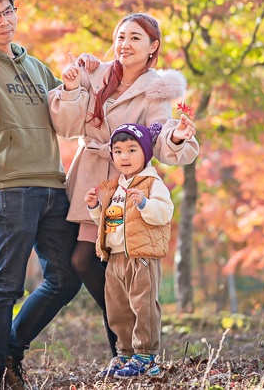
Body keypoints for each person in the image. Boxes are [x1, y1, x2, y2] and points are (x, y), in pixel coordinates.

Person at [0, 0, 83, 390]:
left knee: (66, 278)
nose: (4, 20)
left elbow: (64, 113)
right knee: (7, 286)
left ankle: (10, 350)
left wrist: (75, 85)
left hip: (53, 186)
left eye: (8, 10)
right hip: (11, 189)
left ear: (16, 10)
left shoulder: (35, 66)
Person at [49, 12, 198, 357]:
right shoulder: (94, 74)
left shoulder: (156, 91)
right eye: (120, 36)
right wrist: (72, 87)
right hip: (89, 180)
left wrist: (174, 136)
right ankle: (127, 343)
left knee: (112, 268)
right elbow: (65, 125)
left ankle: (128, 350)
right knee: (84, 260)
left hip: (124, 189)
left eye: (135, 38)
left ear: (152, 47)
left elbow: (157, 139)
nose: (125, 44)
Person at [84, 123, 177, 378]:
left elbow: (165, 214)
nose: (124, 156)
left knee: (142, 305)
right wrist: (95, 208)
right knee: (117, 308)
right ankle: (124, 354)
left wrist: (145, 203)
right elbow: (109, 222)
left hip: (142, 257)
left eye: (132, 150)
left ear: (145, 153)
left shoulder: (151, 183)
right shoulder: (114, 187)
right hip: (115, 257)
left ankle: (145, 355)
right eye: (118, 151)